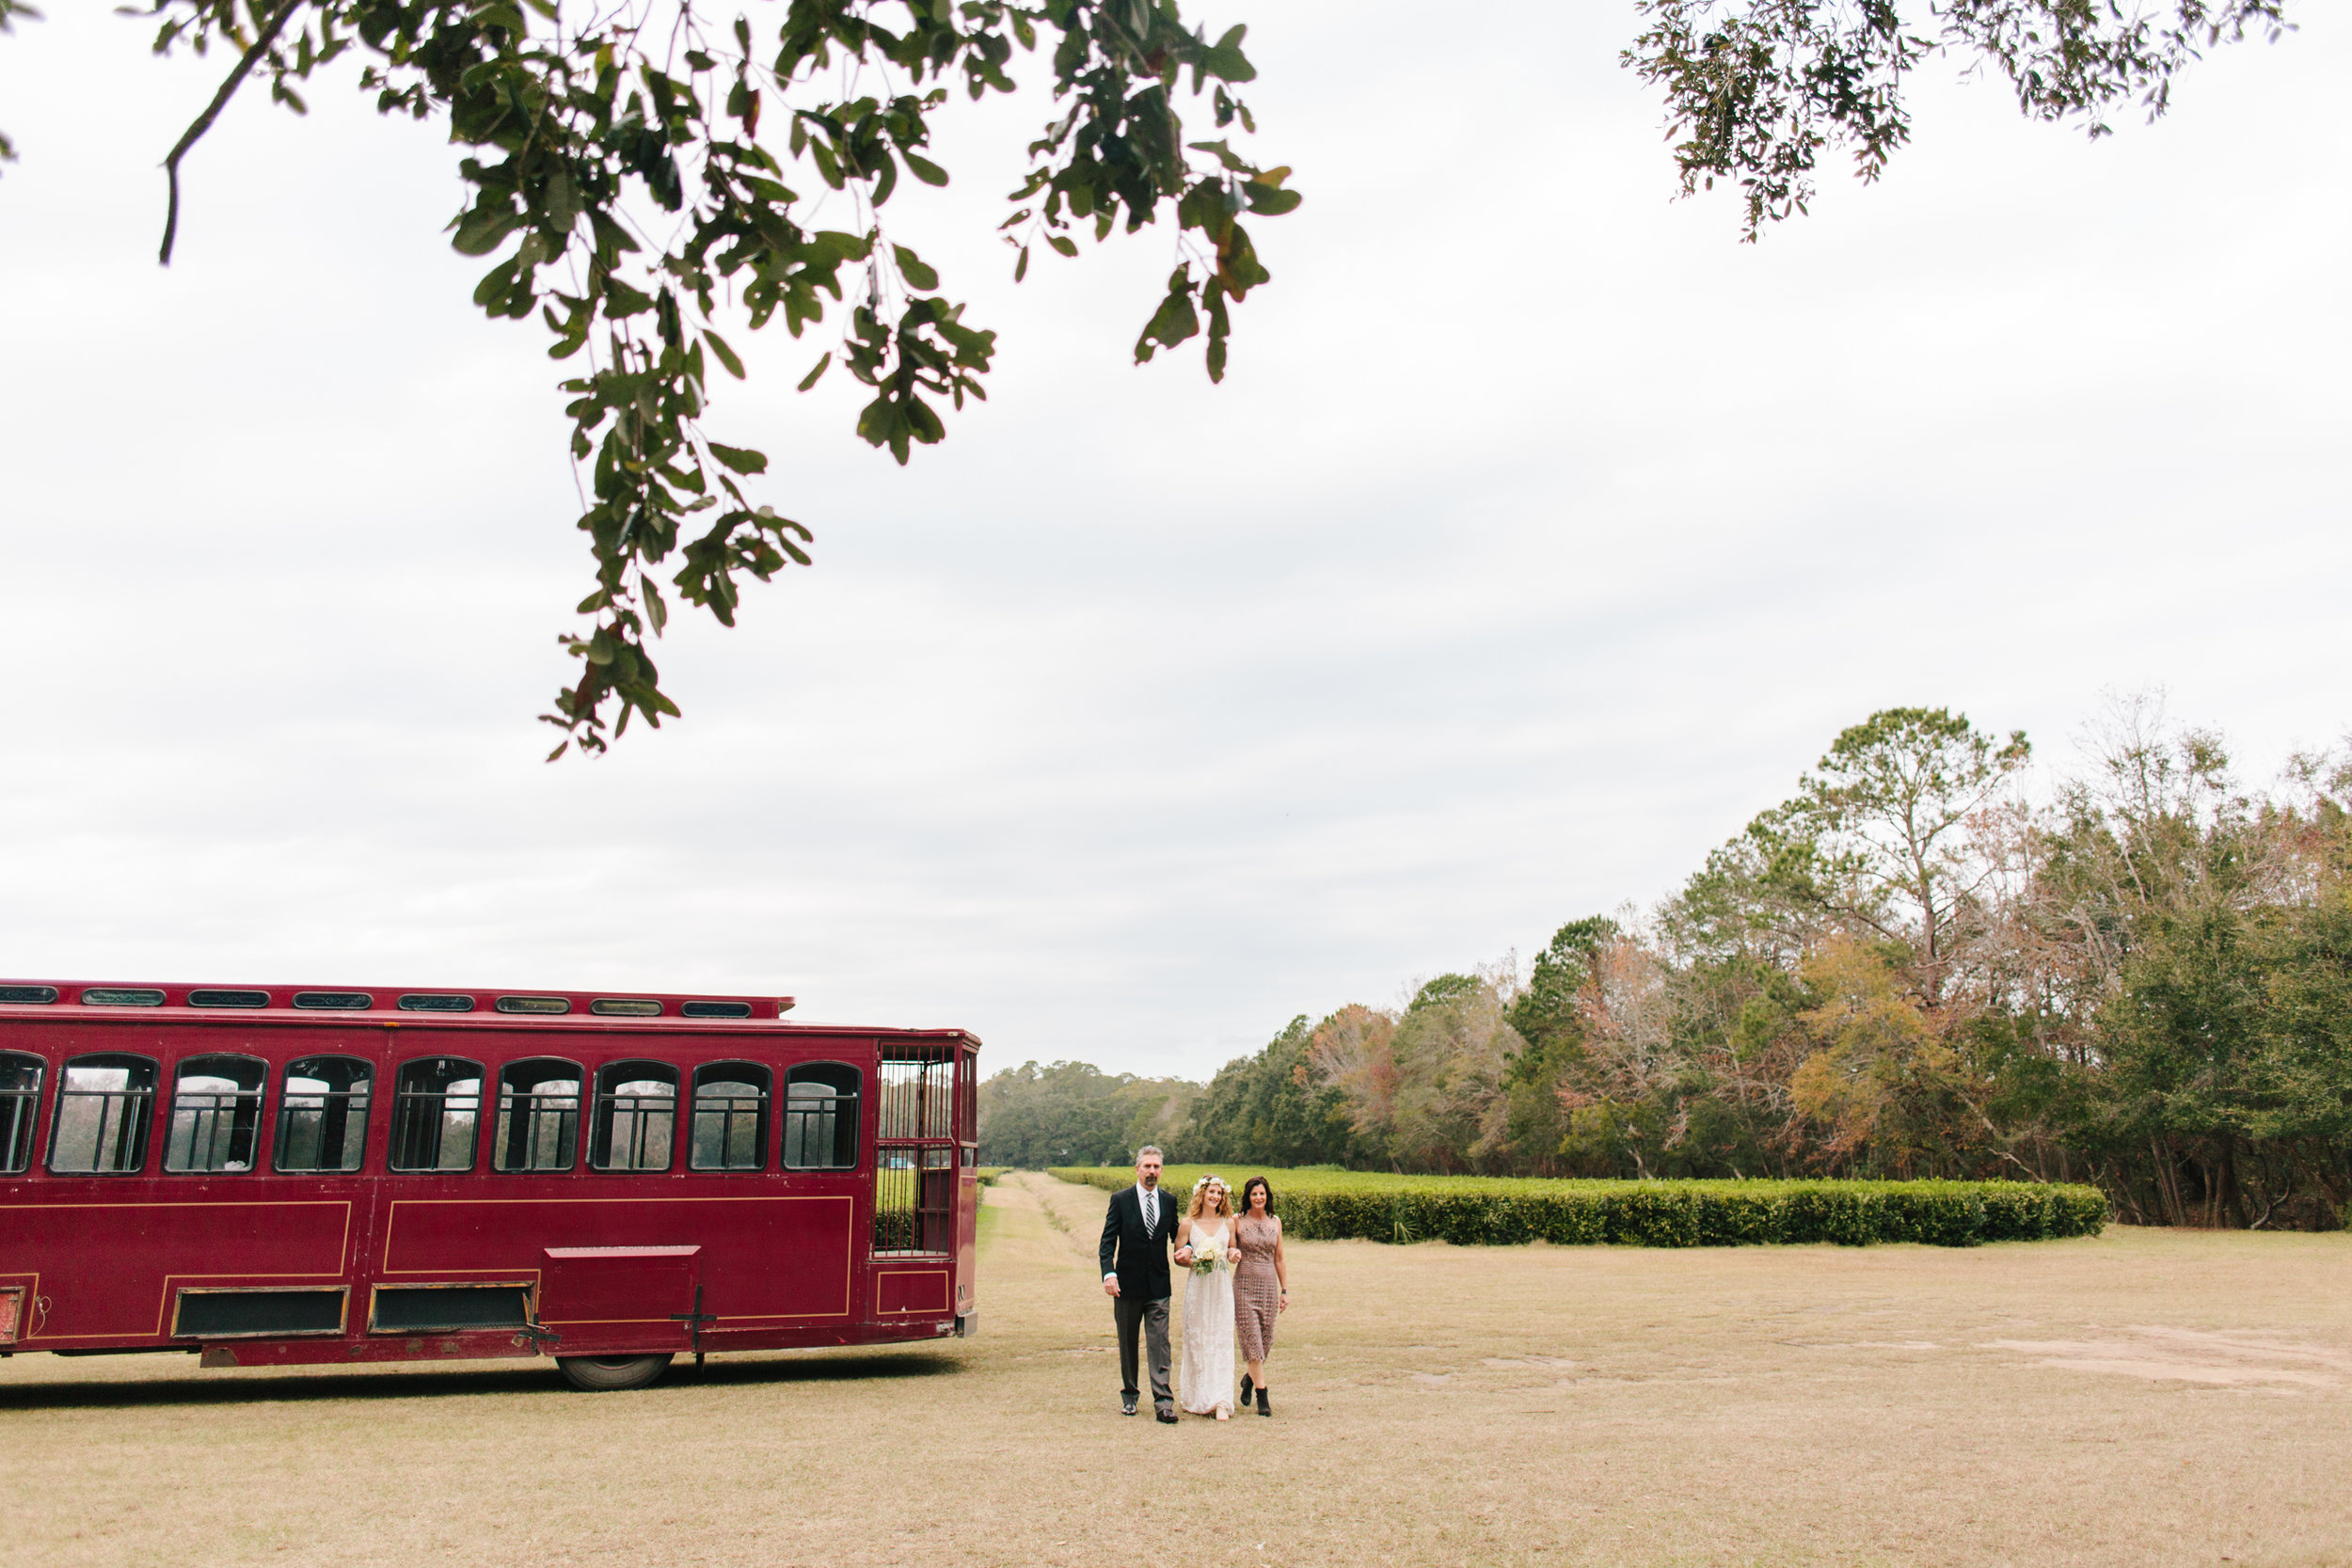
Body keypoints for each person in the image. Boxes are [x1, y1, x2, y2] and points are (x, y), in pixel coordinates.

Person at [1099, 1146, 1180, 1421]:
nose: (1152, 1171)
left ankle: (1164, 1402)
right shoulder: (1121, 1200)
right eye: (1147, 1166)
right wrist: (1109, 1274)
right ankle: (1130, 1396)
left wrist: (1191, 1248)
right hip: (1127, 1286)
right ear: (1137, 1169)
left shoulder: (1169, 1201)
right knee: (1128, 1342)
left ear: (1161, 1170)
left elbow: (1178, 1237)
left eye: (1156, 1167)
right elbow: (1107, 1242)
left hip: (1159, 1286)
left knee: (1160, 1344)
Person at [1173, 1174, 1242, 1419]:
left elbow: (1232, 1247)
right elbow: (1178, 1256)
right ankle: (1198, 1397)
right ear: (1201, 1195)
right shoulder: (1188, 1224)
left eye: (1219, 1193)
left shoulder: (1229, 1223)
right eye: (1211, 1192)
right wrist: (1193, 1260)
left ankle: (1222, 1400)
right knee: (1198, 1339)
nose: (1215, 1196)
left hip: (1221, 1288)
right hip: (1199, 1288)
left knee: (1221, 1339)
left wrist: (1233, 1254)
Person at [1233, 1175, 1289, 1418]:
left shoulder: (1275, 1222)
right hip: (1244, 1284)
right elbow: (1229, 1248)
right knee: (1252, 1341)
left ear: (1268, 1197)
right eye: (1254, 1194)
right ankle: (1262, 1394)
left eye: (1262, 1194)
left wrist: (1285, 1290)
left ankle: (1248, 1379)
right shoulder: (1237, 1220)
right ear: (1248, 1197)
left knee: (1265, 1342)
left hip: (1268, 1285)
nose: (1258, 1198)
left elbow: (1279, 1257)